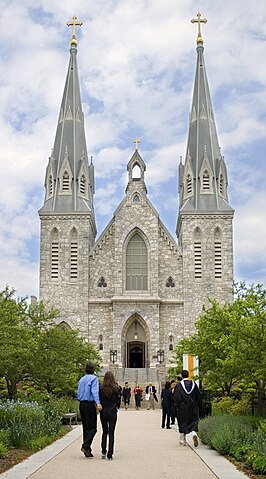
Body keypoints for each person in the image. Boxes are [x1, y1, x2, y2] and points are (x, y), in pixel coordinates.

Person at [77, 363, 102, 458]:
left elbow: (78, 392)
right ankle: (85, 445)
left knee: (85, 428)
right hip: (89, 404)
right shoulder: (94, 379)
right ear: (93, 370)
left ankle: (87, 450)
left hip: (82, 404)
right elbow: (94, 391)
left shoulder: (81, 379)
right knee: (93, 428)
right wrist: (98, 403)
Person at [173, 369, 201, 447]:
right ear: (188, 375)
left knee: (182, 421)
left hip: (182, 407)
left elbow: (176, 398)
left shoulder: (178, 386)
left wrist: (176, 407)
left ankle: (182, 440)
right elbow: (198, 395)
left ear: (181, 376)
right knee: (193, 420)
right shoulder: (193, 383)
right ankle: (194, 433)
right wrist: (198, 405)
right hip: (192, 405)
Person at [99, 371, 120, 460]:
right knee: (111, 433)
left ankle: (103, 450)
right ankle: (110, 454)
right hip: (112, 412)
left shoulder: (101, 388)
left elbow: (99, 399)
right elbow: (118, 401)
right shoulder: (116, 388)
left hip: (103, 411)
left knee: (104, 431)